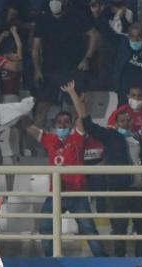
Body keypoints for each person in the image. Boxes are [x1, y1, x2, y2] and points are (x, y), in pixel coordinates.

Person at [22, 82, 106, 257]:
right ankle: (50, 260)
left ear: (70, 125)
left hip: (77, 193)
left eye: (66, 122)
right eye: (59, 122)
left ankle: (102, 259)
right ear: (54, 124)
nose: (62, 125)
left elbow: (82, 117)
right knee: (45, 226)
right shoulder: (50, 139)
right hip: (56, 193)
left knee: (88, 229)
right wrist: (17, 110)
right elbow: (29, 127)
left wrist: (72, 93)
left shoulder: (77, 138)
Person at [67, 80, 142, 257]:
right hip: (118, 190)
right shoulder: (110, 136)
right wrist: (76, 98)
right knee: (119, 229)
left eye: (128, 120)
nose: (126, 123)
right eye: (122, 120)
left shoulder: (137, 139)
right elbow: (87, 123)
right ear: (116, 123)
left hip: (137, 190)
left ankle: (141, 262)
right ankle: (119, 263)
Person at [32, 0, 98, 127]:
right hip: (49, 70)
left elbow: (94, 35)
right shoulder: (43, 18)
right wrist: (37, 69)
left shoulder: (77, 15)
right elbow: (36, 47)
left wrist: (87, 58)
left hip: (72, 70)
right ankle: (36, 145)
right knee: (41, 109)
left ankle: (76, 142)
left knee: (76, 110)